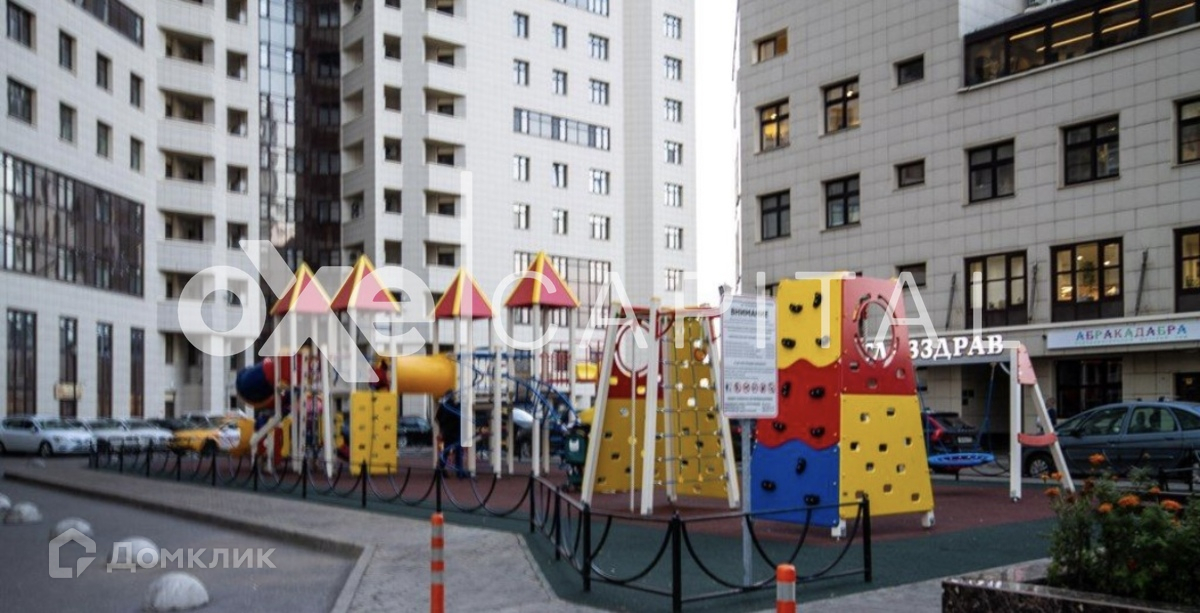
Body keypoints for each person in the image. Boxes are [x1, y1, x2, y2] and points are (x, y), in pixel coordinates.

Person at [435, 392, 467, 478]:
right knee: (458, 452)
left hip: (447, 431)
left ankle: (440, 469)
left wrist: (442, 427)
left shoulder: (443, 406)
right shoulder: (455, 406)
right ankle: (459, 472)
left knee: (446, 451)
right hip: (455, 431)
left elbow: (437, 417)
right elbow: (459, 416)